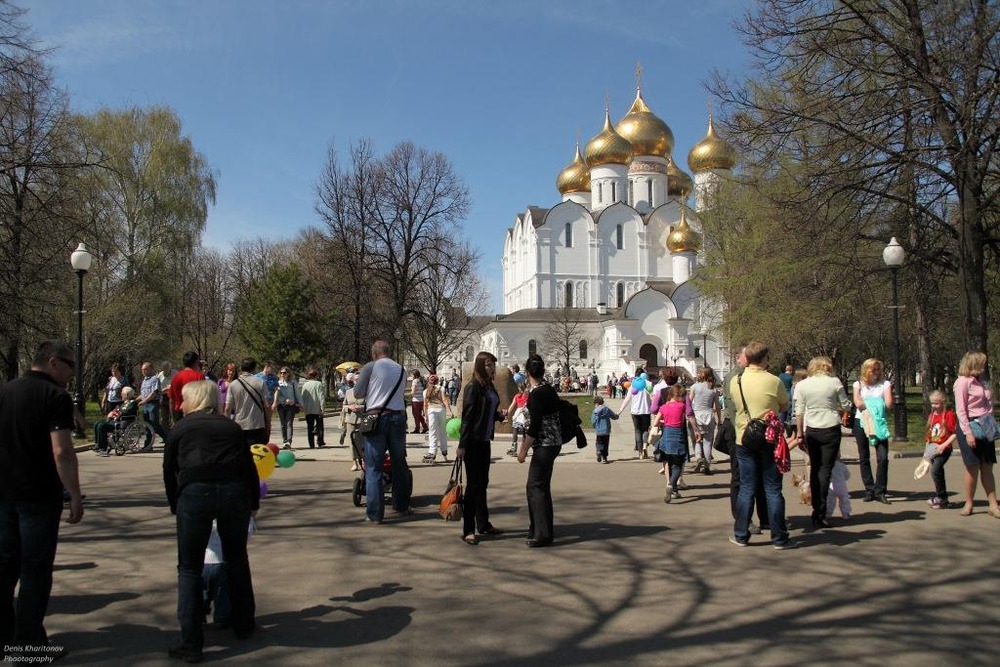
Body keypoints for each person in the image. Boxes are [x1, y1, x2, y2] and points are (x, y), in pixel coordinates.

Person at [163, 380, 259, 662]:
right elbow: (248, 467)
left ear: (190, 401)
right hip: (234, 493)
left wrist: (174, 503)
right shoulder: (231, 428)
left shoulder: (180, 429)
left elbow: (169, 470)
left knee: (189, 568)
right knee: (237, 559)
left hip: (194, 493)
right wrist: (253, 502)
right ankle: (243, 624)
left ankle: (191, 642)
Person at [0, 340, 84, 658]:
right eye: (70, 366)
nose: (72, 374)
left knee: (5, 566)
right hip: (37, 495)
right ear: (53, 362)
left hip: (4, 493)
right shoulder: (54, 397)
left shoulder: (5, 391)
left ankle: (4, 635)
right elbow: (61, 450)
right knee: (35, 571)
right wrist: (74, 493)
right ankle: (28, 644)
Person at [729, 341, 794, 549]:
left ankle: (741, 534)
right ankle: (779, 538)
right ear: (764, 358)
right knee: (773, 489)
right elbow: (785, 404)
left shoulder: (736, 380)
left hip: (744, 437)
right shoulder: (773, 381)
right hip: (770, 438)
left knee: (746, 487)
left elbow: (735, 403)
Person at [352, 340, 412, 523]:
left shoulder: (370, 367)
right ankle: (401, 506)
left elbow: (358, 393)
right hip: (398, 418)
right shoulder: (402, 369)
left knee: (374, 466)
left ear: (374, 354)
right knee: (399, 464)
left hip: (377, 419)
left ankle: (375, 514)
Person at [794, 356, 851, 528]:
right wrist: (837, 407)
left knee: (814, 468)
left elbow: (799, 410)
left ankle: (816, 509)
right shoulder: (834, 382)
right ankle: (821, 512)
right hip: (831, 427)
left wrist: (799, 433)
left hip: (811, 428)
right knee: (826, 470)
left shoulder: (803, 385)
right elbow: (846, 405)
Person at [457, 352, 505, 545]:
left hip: (484, 441)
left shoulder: (488, 386)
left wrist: (498, 416)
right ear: (478, 366)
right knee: (474, 486)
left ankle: (483, 524)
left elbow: (487, 411)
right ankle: (468, 529)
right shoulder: (473, 387)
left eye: (493, 364)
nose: (491, 368)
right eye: (487, 365)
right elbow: (467, 418)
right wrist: (462, 445)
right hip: (473, 442)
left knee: (483, 483)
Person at [517, 353, 562, 548]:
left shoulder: (536, 394)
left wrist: (522, 451)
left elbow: (534, 427)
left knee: (535, 486)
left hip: (544, 443)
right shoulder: (549, 389)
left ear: (527, 372)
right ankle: (539, 527)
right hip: (554, 442)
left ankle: (541, 533)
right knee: (541, 486)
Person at [952, 351, 999, 517]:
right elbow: (961, 410)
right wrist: (968, 433)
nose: (985, 365)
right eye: (982, 362)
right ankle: (969, 503)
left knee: (987, 466)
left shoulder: (982, 382)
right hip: (970, 425)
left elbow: (988, 404)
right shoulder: (962, 382)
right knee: (972, 467)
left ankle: (993, 504)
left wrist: (991, 423)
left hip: (986, 424)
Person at [202, 516, 256, 631]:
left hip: (203, 561)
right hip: (223, 561)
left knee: (203, 591)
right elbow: (247, 533)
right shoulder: (233, 510)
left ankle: (199, 614)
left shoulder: (202, 509)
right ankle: (222, 618)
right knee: (222, 592)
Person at [852, 358, 893, 504]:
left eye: (878, 369)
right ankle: (869, 489)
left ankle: (880, 490)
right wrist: (876, 404)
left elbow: (888, 404)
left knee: (883, 457)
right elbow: (858, 403)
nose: (876, 372)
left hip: (879, 423)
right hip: (861, 422)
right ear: (866, 370)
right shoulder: (858, 384)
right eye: (873, 369)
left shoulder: (885, 384)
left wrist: (868, 404)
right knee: (864, 457)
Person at [652, 385, 690, 502]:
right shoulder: (682, 406)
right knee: (678, 464)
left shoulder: (663, 407)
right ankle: (671, 484)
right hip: (678, 435)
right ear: (678, 395)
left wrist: (665, 421)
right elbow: (684, 419)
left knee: (669, 462)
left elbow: (655, 423)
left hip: (667, 436)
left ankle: (673, 490)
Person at [921, 390, 956, 509]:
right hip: (932, 449)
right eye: (932, 403)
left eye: (936, 403)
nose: (934, 406)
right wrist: (926, 452)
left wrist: (943, 445)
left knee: (935, 471)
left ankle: (940, 496)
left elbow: (954, 434)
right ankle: (943, 499)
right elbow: (928, 437)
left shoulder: (949, 415)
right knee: (938, 473)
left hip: (944, 449)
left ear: (943, 402)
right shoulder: (931, 416)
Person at [225, 358, 271, 447]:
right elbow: (267, 405)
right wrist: (268, 422)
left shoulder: (233, 384)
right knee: (257, 455)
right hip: (257, 424)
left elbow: (227, 408)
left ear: (241, 368)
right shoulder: (260, 382)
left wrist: (226, 424)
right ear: (254, 368)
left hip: (239, 424)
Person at [689, 368, 721, 475]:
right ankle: (707, 467)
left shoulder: (695, 387)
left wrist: (687, 415)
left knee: (697, 439)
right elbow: (717, 406)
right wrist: (719, 420)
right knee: (708, 442)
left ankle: (698, 457)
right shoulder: (713, 389)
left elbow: (689, 402)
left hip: (697, 416)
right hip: (709, 417)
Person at [617, 367, 652, 459]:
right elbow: (653, 397)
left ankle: (640, 451)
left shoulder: (633, 384)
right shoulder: (648, 383)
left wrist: (620, 410)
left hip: (635, 411)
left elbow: (627, 399)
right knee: (645, 430)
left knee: (637, 430)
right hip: (646, 411)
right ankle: (645, 446)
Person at [93, 386, 139, 455]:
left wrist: (115, 414)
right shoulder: (124, 403)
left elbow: (126, 412)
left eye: (122, 394)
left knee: (101, 426)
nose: (121, 395)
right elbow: (117, 409)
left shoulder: (133, 403)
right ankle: (97, 444)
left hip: (122, 423)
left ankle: (103, 448)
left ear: (126, 395)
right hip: (116, 421)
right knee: (97, 423)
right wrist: (111, 413)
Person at [422, 374, 453, 464]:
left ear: (429, 381)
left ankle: (432, 452)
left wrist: (425, 416)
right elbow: (444, 400)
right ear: (437, 381)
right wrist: (449, 411)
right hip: (441, 410)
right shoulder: (441, 388)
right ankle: (444, 452)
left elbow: (425, 404)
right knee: (443, 432)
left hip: (431, 411)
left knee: (433, 432)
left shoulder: (426, 391)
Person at [139, 361, 169, 448]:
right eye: (142, 370)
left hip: (152, 404)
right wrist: (134, 399)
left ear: (151, 369)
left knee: (152, 424)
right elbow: (144, 394)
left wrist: (144, 401)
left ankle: (148, 444)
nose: (144, 371)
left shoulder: (155, 379)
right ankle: (167, 439)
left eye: (146, 369)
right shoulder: (144, 381)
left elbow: (153, 393)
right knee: (149, 424)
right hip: (146, 405)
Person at [170, 352, 204, 422]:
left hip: (179, 413)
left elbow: (171, 400)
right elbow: (203, 398)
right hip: (195, 413)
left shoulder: (176, 377)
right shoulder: (199, 376)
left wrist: (173, 417)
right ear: (196, 362)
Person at [339, 373, 363, 471]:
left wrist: (360, 407)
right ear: (352, 381)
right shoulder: (348, 392)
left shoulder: (367, 392)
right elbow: (344, 406)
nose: (357, 381)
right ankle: (354, 462)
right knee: (352, 441)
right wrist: (349, 407)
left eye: (359, 379)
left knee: (362, 442)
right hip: (350, 420)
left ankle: (364, 461)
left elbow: (371, 406)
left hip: (363, 420)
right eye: (356, 379)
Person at [272, 367, 300, 449]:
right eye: (281, 373)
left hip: (291, 406)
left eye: (284, 373)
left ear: (288, 373)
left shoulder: (292, 383)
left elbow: (297, 394)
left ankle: (288, 441)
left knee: (289, 424)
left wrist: (299, 403)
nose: (282, 374)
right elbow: (276, 394)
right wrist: (283, 401)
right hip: (281, 406)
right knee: (283, 424)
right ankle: (284, 441)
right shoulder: (278, 383)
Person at [300, 368, 326, 449]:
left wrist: (303, 407)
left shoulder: (305, 385)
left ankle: (311, 444)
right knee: (320, 426)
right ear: (316, 376)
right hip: (317, 408)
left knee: (310, 427)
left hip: (308, 409)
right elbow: (321, 396)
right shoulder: (319, 384)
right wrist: (322, 407)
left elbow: (302, 397)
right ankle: (320, 441)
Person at [591, 395, 618, 464]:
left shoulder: (595, 411)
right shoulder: (606, 409)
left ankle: (599, 451)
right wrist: (616, 416)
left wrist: (594, 426)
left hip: (599, 430)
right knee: (606, 443)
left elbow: (593, 420)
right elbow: (613, 416)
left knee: (599, 442)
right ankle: (604, 458)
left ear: (596, 403)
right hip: (606, 430)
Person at [505, 386, 530, 457]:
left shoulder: (517, 396)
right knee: (525, 433)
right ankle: (523, 450)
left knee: (515, 430)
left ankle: (513, 448)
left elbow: (512, 406)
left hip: (518, 414)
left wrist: (507, 414)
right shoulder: (529, 396)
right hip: (526, 414)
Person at [158, 361, 176, 430]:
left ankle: (175, 430)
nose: (165, 370)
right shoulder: (160, 375)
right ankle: (165, 434)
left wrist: (171, 387)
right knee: (164, 417)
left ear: (170, 368)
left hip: (173, 396)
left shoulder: (175, 374)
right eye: (164, 369)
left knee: (174, 415)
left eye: (167, 368)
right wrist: (166, 388)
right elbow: (159, 389)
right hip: (164, 397)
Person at [410, 370, 428, 434]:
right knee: (419, 415)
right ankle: (424, 426)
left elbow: (413, 392)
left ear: (414, 375)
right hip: (421, 400)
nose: (411, 376)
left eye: (412, 374)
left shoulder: (415, 381)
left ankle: (418, 428)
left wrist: (411, 393)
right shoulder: (422, 380)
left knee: (416, 415)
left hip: (416, 400)